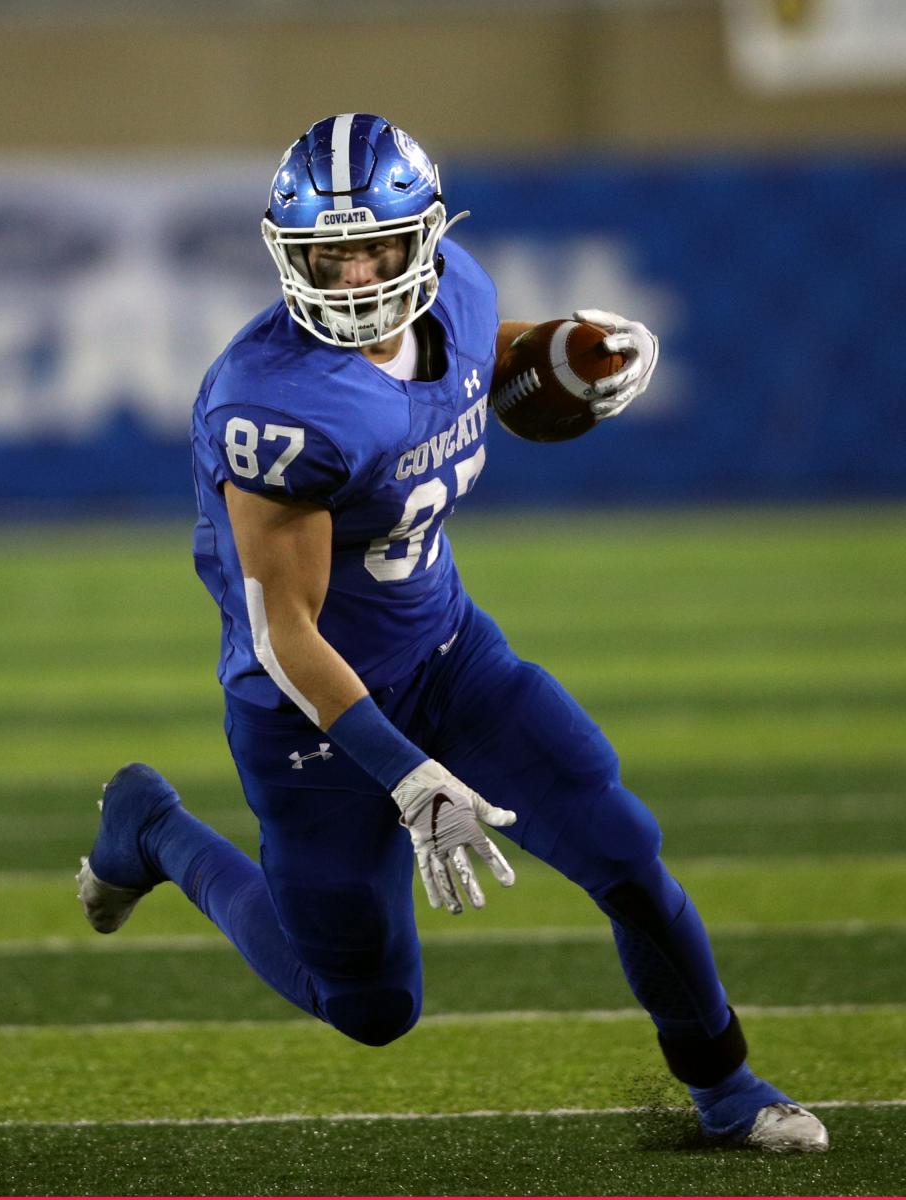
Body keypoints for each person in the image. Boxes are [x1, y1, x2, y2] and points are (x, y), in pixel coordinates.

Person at [78, 113, 827, 1153]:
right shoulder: (274, 404)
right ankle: (155, 826)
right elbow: (284, 630)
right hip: (312, 719)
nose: (349, 278)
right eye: (323, 255)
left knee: (625, 849)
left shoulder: (463, 290)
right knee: (370, 1008)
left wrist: (577, 354)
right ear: (284, 254)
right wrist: (406, 775)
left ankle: (728, 1087)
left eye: (372, 248)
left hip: (450, 656)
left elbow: (489, 361)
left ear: (423, 240)